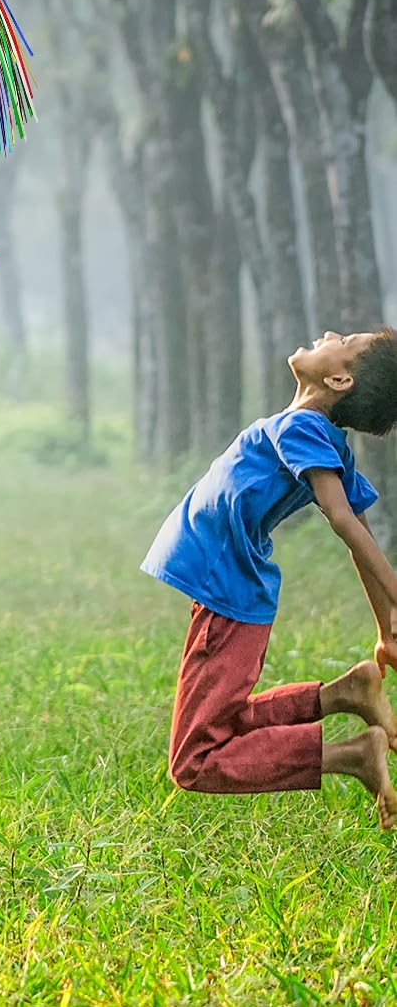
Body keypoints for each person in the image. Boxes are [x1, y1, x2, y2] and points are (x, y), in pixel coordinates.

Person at [141, 329, 397, 826]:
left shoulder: (305, 427)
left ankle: (353, 756)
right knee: (222, 722)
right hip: (229, 588)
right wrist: (386, 628)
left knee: (196, 760)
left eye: (344, 340)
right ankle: (345, 694)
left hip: (228, 590)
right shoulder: (317, 435)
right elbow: (359, 529)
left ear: (339, 378)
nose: (329, 333)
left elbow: (346, 520)